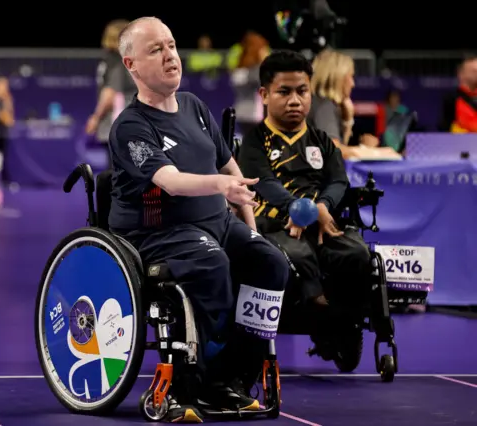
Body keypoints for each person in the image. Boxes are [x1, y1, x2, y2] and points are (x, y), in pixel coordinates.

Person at [108, 17, 289, 423]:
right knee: (213, 265)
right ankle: (199, 382)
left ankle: (235, 379)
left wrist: (251, 228)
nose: (170, 55)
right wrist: (221, 186)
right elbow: (170, 182)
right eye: (156, 49)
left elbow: (231, 170)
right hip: (159, 232)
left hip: (217, 224)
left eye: (171, 45)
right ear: (131, 64)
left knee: (271, 263)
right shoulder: (131, 127)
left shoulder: (195, 107)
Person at [237, 50, 371, 312]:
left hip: (322, 221)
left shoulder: (321, 140)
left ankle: (345, 320)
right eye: (284, 92)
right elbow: (264, 183)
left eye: (302, 91)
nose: (295, 100)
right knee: (295, 255)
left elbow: (338, 180)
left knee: (357, 253)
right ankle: (317, 311)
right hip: (276, 225)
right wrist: (302, 210)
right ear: (264, 95)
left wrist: (323, 205)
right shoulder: (254, 141)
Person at [85, 20, 137, 147]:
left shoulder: (115, 60)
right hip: (131, 123)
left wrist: (96, 117)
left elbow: (110, 92)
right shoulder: (131, 60)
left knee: (116, 165)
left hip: (116, 123)